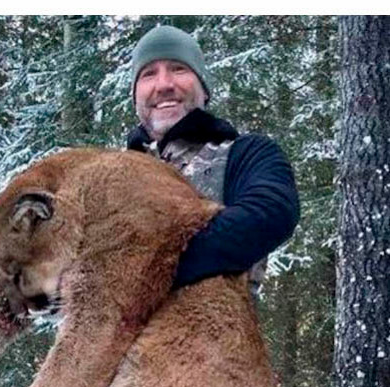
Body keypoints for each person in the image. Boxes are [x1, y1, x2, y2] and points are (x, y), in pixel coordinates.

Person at [126, 25, 300, 297]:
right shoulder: (114, 173)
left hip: (214, 333)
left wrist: (145, 269)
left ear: (204, 89)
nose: (164, 85)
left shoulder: (245, 154)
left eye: (178, 69)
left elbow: (270, 212)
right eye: (149, 74)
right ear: (135, 97)